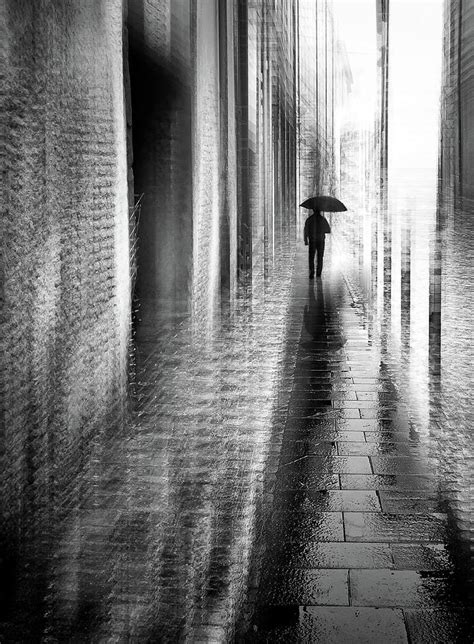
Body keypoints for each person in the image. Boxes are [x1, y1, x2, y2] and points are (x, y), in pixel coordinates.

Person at [304, 209, 331, 278]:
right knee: (320, 257)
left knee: (311, 257)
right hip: (321, 240)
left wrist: (305, 240)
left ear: (313, 210)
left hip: (312, 240)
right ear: (320, 211)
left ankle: (312, 272)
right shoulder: (323, 219)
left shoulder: (309, 219)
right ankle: (319, 273)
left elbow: (306, 230)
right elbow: (328, 230)